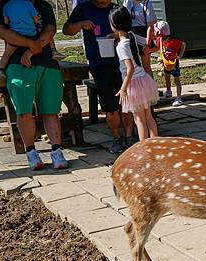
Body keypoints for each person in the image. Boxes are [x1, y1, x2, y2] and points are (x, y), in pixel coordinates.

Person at [0, 0, 69, 170]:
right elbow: (3, 32)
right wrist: (30, 44)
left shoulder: (44, 5)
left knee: (51, 111)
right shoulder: (0, 6)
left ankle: (57, 151)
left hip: (47, 63)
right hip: (16, 65)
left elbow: (50, 30)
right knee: (24, 112)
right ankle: (31, 153)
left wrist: (33, 49)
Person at [63, 0, 135, 154]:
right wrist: (81, 24)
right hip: (99, 65)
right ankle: (116, 138)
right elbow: (67, 30)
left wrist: (117, 35)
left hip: (121, 64)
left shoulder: (117, 9)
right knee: (110, 105)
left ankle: (129, 137)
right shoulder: (83, 8)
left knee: (127, 102)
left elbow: (129, 29)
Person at [110, 7, 158, 141]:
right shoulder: (131, 36)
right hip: (144, 79)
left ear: (114, 25)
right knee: (148, 117)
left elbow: (129, 69)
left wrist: (123, 88)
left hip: (134, 84)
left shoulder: (121, 46)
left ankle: (144, 149)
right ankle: (155, 144)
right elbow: (147, 45)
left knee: (139, 120)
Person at [0, 0, 65, 88]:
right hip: (32, 35)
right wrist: (32, 44)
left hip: (15, 38)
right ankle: (54, 50)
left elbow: (6, 22)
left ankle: (1, 70)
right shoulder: (29, 5)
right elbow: (37, 20)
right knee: (48, 35)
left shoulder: (6, 6)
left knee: (7, 54)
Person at [152, 20, 185, 107]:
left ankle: (179, 98)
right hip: (166, 63)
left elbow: (183, 44)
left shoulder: (173, 41)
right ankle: (168, 91)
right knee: (167, 77)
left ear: (160, 32)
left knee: (176, 79)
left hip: (174, 63)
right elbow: (158, 48)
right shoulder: (159, 40)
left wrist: (180, 55)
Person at [123, 0, 156, 76]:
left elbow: (150, 27)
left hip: (143, 36)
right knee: (133, 66)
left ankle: (151, 87)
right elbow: (123, 17)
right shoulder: (128, 2)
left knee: (146, 66)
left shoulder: (147, 3)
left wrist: (147, 45)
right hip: (130, 35)